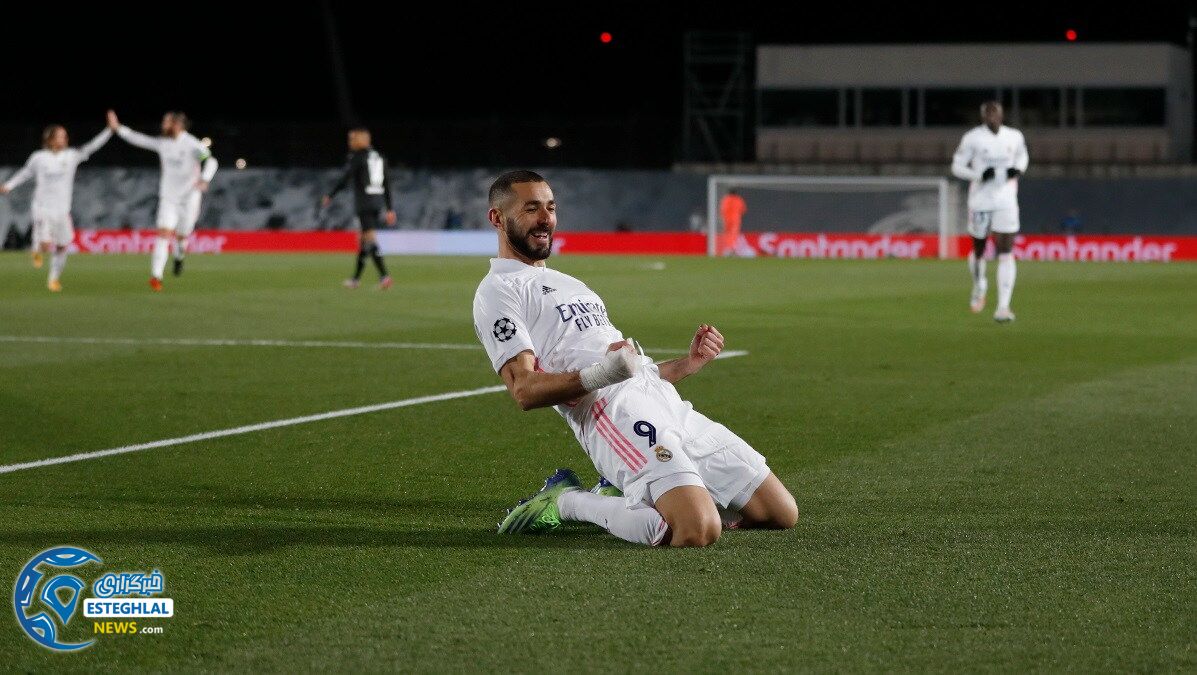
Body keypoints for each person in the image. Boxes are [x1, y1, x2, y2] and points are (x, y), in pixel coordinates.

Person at [473, 170, 798, 547]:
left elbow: (631, 370)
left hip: (664, 402)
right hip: (613, 415)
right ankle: (567, 501)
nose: (546, 218)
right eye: (531, 209)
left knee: (780, 512)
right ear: (497, 218)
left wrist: (686, 365)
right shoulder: (498, 291)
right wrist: (603, 372)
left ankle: (641, 490)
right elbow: (524, 390)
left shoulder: (571, 283)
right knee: (695, 529)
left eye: (550, 207)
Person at [107, 110, 217, 291]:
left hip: (189, 198)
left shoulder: (192, 144)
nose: (163, 125)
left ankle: (179, 255)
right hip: (169, 198)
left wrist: (205, 178)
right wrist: (118, 128)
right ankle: (156, 276)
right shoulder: (163, 144)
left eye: (166, 122)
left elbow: (211, 161)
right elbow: (139, 139)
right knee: (164, 233)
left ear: (177, 125)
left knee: (182, 235)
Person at [0, 120, 112, 291]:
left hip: (62, 210)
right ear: (50, 139)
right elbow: (25, 173)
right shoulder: (38, 157)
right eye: (60, 136)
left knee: (61, 246)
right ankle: (37, 246)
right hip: (42, 207)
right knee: (46, 245)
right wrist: (9, 185)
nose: (64, 139)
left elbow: (92, 146)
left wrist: (109, 130)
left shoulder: (71, 155)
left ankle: (53, 279)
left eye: (65, 136)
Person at [951, 101, 1029, 323]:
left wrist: (1019, 169)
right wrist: (977, 175)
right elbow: (956, 166)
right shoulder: (972, 138)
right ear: (983, 116)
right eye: (988, 114)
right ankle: (979, 284)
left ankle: (1003, 307)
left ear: (1002, 115)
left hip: (1006, 201)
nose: (992, 117)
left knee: (1006, 251)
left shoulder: (1014, 136)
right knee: (979, 250)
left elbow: (1023, 156)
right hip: (981, 202)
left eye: (995, 113)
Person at [321, 128, 396, 290]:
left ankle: (385, 277)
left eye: (352, 140)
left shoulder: (358, 157)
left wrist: (330, 195)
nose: (350, 143)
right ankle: (355, 279)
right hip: (377, 203)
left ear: (360, 141)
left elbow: (346, 177)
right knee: (362, 241)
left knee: (370, 239)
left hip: (364, 203)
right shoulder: (380, 157)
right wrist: (390, 208)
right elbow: (387, 184)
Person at [718, 189, 747, 256]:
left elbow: (723, 209)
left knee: (727, 234)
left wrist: (722, 217)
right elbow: (743, 209)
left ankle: (728, 249)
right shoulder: (739, 199)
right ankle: (732, 249)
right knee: (733, 235)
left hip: (727, 220)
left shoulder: (726, 199)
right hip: (736, 220)